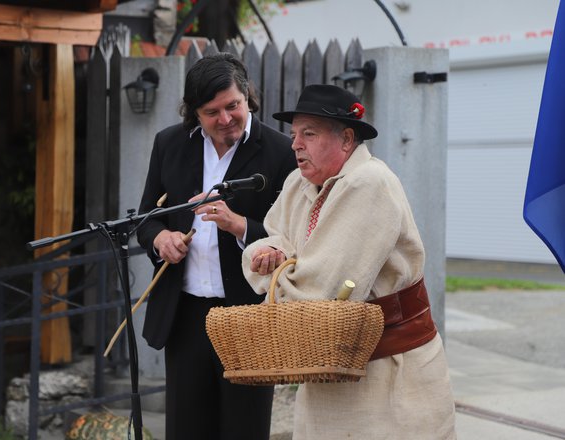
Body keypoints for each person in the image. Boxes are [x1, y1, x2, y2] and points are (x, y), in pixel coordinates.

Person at [242, 84, 456, 439]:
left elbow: (320, 292)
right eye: (295, 134)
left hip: (388, 370)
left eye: (308, 134)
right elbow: (272, 237)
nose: (295, 144)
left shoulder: (369, 183)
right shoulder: (299, 182)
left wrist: (270, 273)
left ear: (346, 139)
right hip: (330, 362)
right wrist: (269, 254)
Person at [136, 52, 296, 440]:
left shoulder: (280, 151)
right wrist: (161, 238)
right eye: (212, 112)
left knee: (244, 429)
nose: (225, 119)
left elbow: (295, 239)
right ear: (194, 113)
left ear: (247, 97)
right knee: (187, 428)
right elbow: (145, 218)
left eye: (233, 106)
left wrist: (239, 225)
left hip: (249, 315)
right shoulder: (170, 143)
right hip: (186, 312)